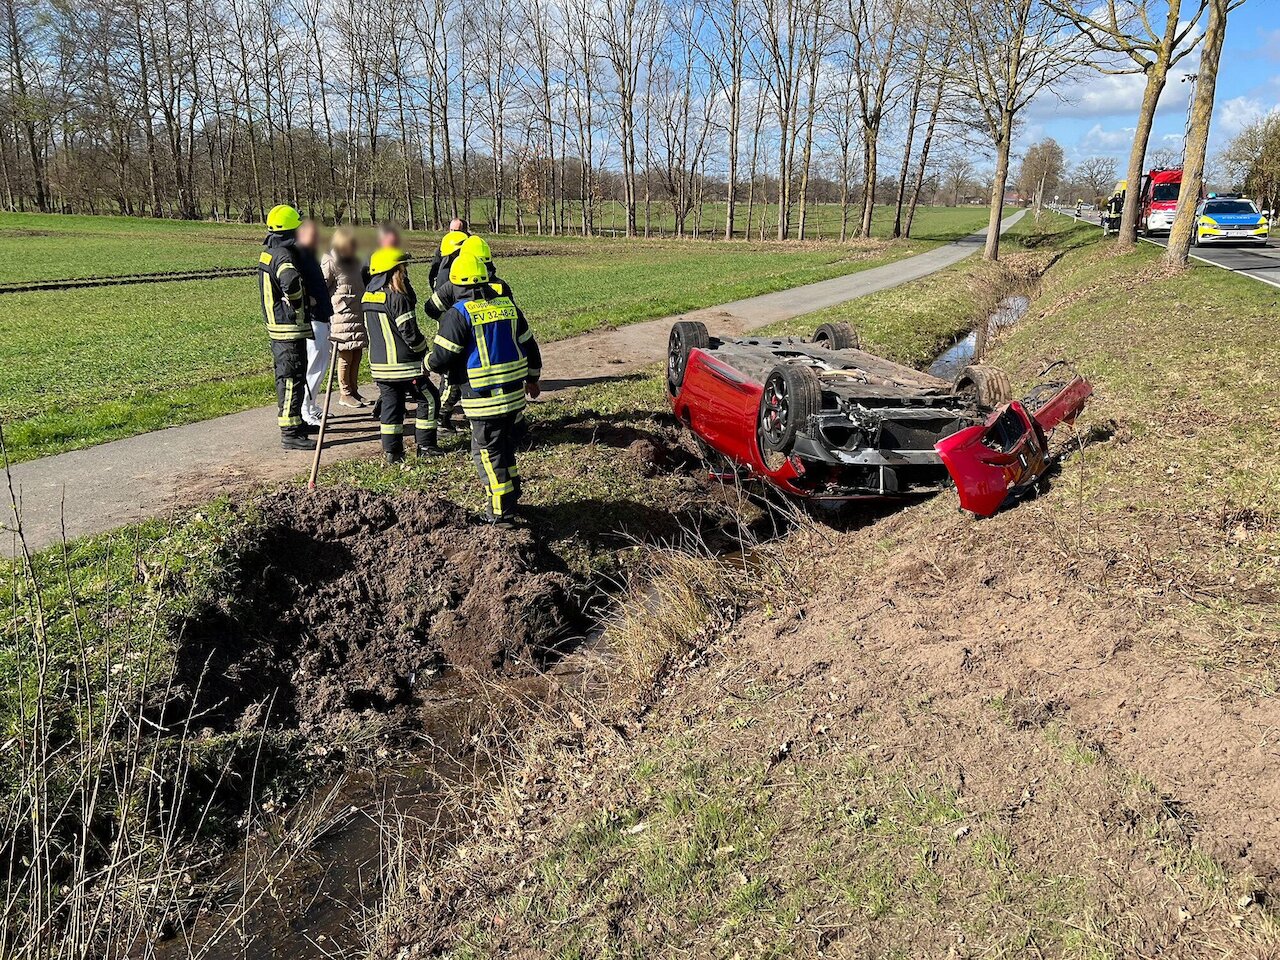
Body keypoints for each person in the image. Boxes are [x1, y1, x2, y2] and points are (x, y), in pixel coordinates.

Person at [428, 252, 541, 524]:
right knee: (504, 447)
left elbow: (442, 356)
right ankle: (512, 496)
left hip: (482, 400)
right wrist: (533, 378)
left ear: (457, 284)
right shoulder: (508, 306)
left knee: (487, 455)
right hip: (514, 398)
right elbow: (530, 345)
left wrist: (425, 361)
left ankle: (501, 513)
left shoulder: (458, 314)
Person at [423, 234, 514, 434]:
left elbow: (431, 308)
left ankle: (474, 418)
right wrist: (453, 321)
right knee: (451, 383)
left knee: (460, 382)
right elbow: (431, 308)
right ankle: (441, 418)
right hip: (470, 342)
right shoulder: (496, 285)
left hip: (473, 341)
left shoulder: (458, 284)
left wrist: (453, 320)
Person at [362, 247, 443, 463]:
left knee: (392, 406)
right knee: (429, 398)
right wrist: (423, 349)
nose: (405, 272)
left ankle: (393, 452)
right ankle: (426, 445)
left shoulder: (368, 296)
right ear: (394, 271)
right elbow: (409, 333)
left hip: (380, 366)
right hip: (404, 365)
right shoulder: (397, 298)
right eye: (402, 268)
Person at [258, 204, 315, 451]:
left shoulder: (271, 251)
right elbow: (290, 281)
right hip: (287, 328)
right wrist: (299, 300)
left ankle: (296, 422)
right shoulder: (284, 255)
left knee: (294, 376)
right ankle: (290, 433)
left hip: (281, 328)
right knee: (291, 378)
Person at [322, 226, 369, 408]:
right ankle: (345, 393)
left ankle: (354, 390)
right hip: (341, 315)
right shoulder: (330, 261)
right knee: (345, 353)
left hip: (357, 311)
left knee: (357, 352)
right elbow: (323, 286)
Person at [295, 219, 333, 426]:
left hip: (322, 316)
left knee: (321, 365)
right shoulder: (299, 256)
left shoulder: (311, 255)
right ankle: (305, 411)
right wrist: (308, 301)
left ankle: (312, 405)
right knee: (313, 367)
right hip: (312, 319)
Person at [428, 218, 468, 288]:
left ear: (464, 231)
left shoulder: (471, 245)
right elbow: (434, 270)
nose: (453, 233)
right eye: (451, 230)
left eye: (456, 231)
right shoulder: (444, 246)